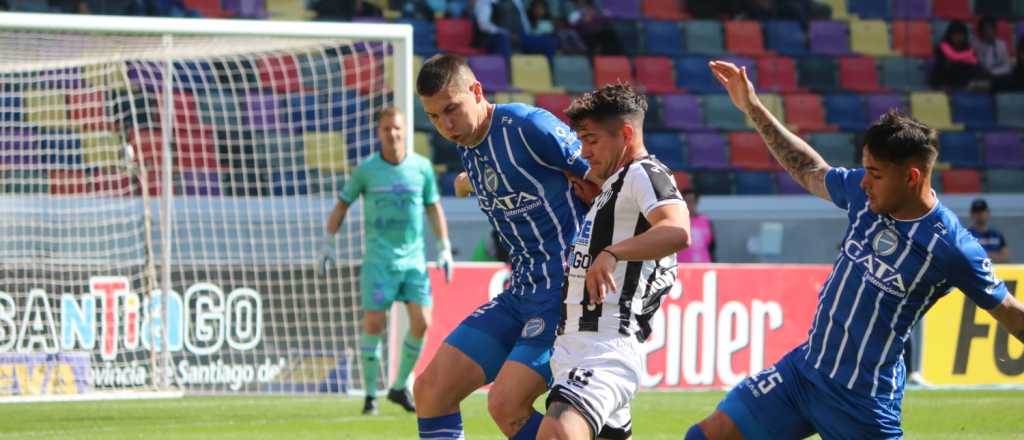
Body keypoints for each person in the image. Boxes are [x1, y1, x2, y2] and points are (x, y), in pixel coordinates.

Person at [683, 60, 1024, 440]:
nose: (864, 182)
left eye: (875, 174)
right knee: (705, 436)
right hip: (803, 373)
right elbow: (809, 169)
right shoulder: (865, 197)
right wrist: (753, 108)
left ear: (912, 177)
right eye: (865, 170)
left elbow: (1012, 314)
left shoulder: (951, 247)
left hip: (861, 402)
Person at [413, 54, 599, 439]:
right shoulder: (469, 143)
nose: (446, 125)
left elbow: (610, 179)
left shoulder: (528, 126)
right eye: (433, 117)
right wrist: (465, 182)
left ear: (477, 91)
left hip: (567, 294)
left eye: (452, 109)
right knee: (430, 391)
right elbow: (494, 172)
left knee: (506, 405)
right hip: (521, 293)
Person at [536, 84, 691, 440]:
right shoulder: (615, 185)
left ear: (626, 134)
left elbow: (678, 230)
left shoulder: (644, 172)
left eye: (591, 140)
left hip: (603, 346)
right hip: (575, 346)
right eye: (581, 140)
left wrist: (612, 253)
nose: (584, 152)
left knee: (556, 430)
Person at [317, 107, 453, 416]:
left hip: (414, 262)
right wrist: (327, 244)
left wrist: (444, 247)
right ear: (379, 133)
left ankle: (399, 385)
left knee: (422, 322)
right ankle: (369, 396)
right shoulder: (366, 170)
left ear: (405, 131)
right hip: (379, 263)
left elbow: (434, 208)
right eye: (386, 129)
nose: (392, 133)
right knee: (374, 324)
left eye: (397, 128)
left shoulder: (421, 168)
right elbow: (342, 205)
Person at [930, 20, 980, 90]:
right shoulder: (943, 47)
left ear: (965, 36)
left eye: (961, 35)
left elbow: (974, 62)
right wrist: (963, 60)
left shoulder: (968, 48)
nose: (958, 37)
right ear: (949, 35)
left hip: (963, 81)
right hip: (944, 81)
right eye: (955, 35)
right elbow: (943, 66)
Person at [677, 188, 715, 263]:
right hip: (683, 266)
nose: (689, 204)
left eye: (692, 201)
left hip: (704, 265)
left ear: (697, 202)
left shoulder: (705, 221)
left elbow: (711, 246)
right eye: (686, 201)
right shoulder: (677, 222)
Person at [968, 198, 1010, 263]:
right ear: (971, 214)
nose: (979, 214)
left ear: (988, 213)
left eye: (982, 211)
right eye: (976, 212)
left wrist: (981, 256)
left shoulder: (997, 235)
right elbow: (966, 257)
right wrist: (994, 256)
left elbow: (1005, 257)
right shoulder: (966, 236)